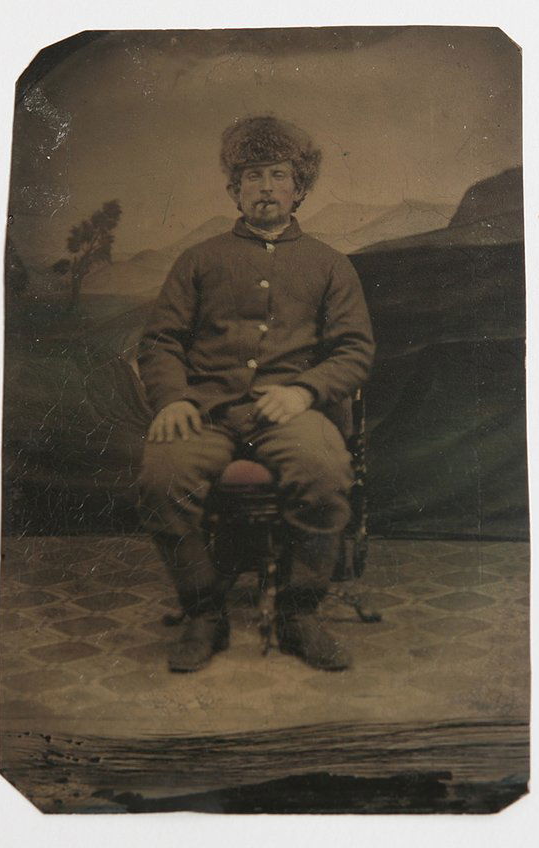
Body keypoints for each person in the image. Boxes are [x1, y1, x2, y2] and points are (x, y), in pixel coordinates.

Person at [138, 115, 375, 673]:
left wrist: (304, 392)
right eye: (252, 177)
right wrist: (173, 398)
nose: (265, 187)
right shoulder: (199, 260)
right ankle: (204, 613)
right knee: (160, 477)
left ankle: (299, 614)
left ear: (300, 189)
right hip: (206, 411)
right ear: (234, 190)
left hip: (292, 412)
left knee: (324, 473)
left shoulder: (329, 265)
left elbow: (354, 351)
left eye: (278, 175)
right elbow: (161, 340)